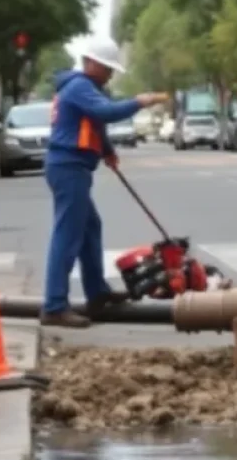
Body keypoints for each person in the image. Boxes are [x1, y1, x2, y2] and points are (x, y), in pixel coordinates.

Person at [41, 37, 169, 328]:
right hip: (68, 166)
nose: (111, 73)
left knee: (89, 228)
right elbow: (106, 113)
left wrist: (107, 151)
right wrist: (139, 101)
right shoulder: (78, 87)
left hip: (73, 165)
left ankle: (97, 294)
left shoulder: (86, 87)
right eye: (108, 67)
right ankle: (54, 306)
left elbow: (95, 124)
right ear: (93, 63)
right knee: (68, 234)